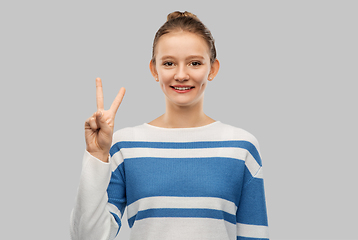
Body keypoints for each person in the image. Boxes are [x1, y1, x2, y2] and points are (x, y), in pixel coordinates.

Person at [70, 11, 269, 240]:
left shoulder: (242, 147)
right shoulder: (124, 145)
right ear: (154, 69)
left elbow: (255, 236)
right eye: (169, 63)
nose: (181, 74)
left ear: (212, 69)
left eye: (194, 63)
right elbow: (87, 237)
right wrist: (96, 154)